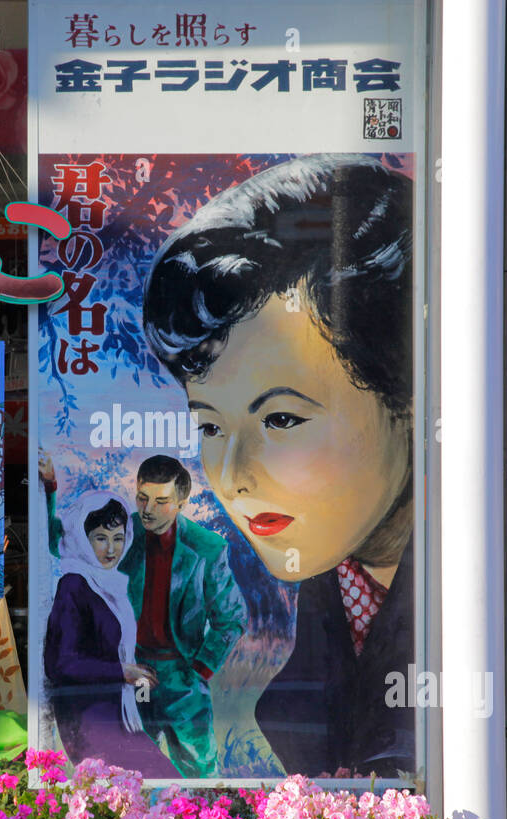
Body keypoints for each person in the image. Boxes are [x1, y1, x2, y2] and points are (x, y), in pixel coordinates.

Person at [140, 154, 416, 778]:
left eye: (281, 420)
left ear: (409, 395)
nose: (233, 474)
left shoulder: (493, 591)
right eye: (209, 425)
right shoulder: (335, 580)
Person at [39, 452, 248, 778]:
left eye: (161, 501)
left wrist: (199, 670)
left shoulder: (208, 548)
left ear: (181, 502)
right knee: (138, 778)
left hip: (182, 677)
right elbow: (60, 543)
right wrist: (48, 488)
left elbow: (232, 617)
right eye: (142, 497)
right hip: (130, 674)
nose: (148, 509)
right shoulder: (122, 532)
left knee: (200, 775)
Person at [43, 491, 177, 776]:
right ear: (82, 538)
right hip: (88, 720)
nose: (111, 550)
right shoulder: (74, 585)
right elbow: (61, 664)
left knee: (168, 787)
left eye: (118, 538)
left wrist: (132, 671)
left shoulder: (109, 584)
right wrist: (122, 672)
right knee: (164, 785)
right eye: (101, 538)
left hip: (115, 716)